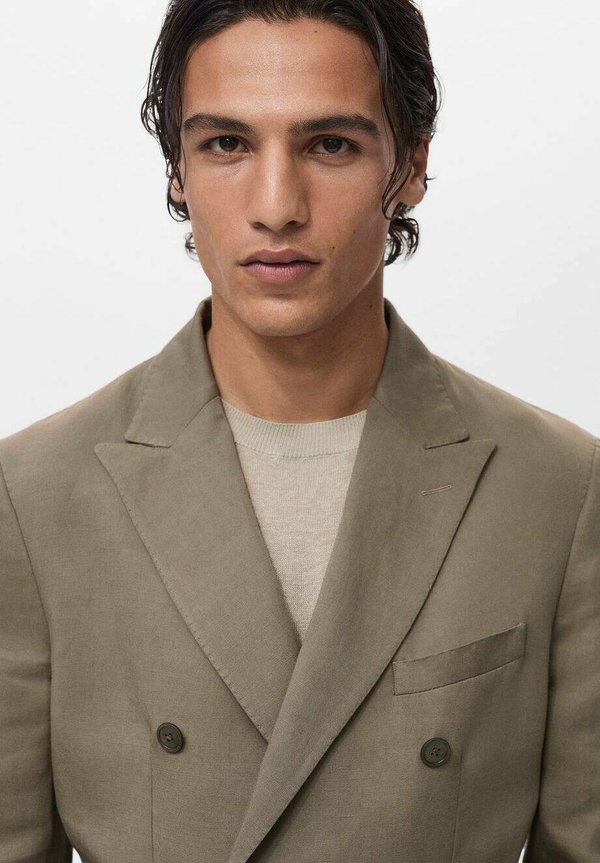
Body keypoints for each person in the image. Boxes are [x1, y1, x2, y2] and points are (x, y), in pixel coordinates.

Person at [0, 1, 597, 861]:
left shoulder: (561, 491)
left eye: (331, 145)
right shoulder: (33, 497)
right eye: (226, 144)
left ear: (412, 164)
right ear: (177, 169)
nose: (276, 206)